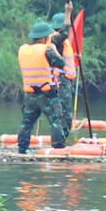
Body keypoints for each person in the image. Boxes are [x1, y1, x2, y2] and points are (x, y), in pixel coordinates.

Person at [15, 20, 67, 153]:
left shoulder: (22, 49)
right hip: (46, 94)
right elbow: (61, 63)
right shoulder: (47, 50)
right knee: (56, 119)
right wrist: (55, 49)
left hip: (30, 95)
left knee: (26, 122)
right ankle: (58, 148)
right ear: (43, 38)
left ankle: (22, 148)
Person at [47, 8, 77, 138]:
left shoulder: (58, 41)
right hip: (60, 81)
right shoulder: (55, 39)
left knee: (63, 113)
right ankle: (61, 139)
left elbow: (61, 56)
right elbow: (65, 33)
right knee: (65, 114)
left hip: (62, 80)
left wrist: (75, 55)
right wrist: (68, 13)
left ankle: (61, 138)